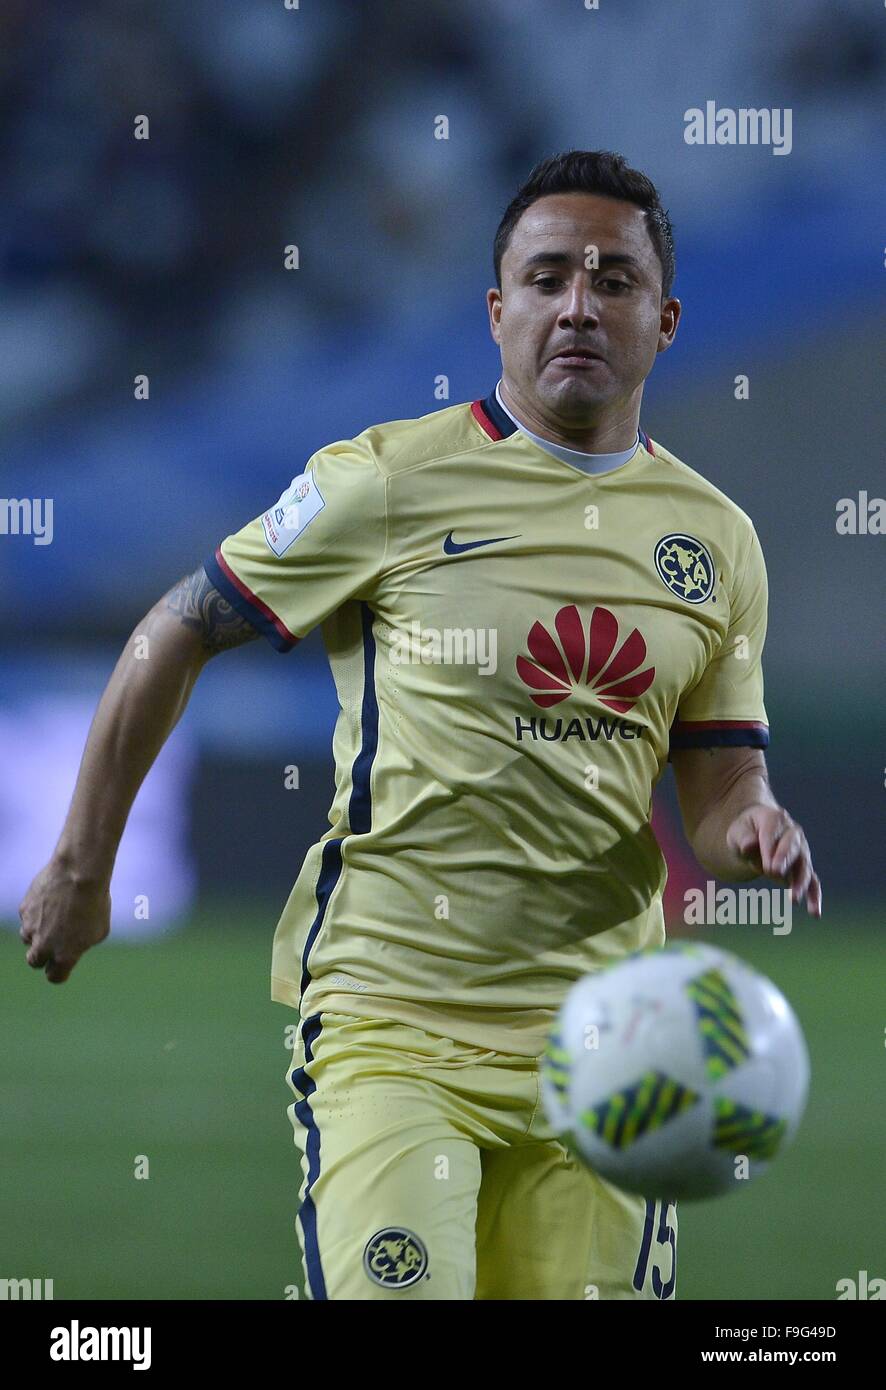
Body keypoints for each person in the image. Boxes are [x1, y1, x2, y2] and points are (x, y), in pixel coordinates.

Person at [19, 150, 821, 1301]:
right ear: (497, 313)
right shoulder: (386, 482)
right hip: (391, 1025)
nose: (577, 306)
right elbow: (176, 627)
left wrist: (755, 829)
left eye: (612, 279)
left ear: (667, 316)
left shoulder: (718, 541)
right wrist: (82, 863)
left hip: (612, 1045)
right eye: (545, 279)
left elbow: (718, 781)